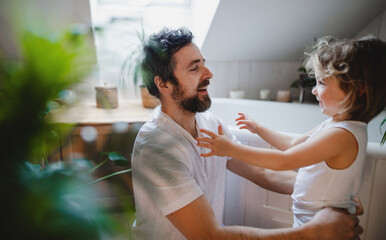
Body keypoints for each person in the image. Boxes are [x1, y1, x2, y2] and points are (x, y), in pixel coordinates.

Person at [131, 27, 363, 239]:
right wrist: (314, 232)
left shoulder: (209, 123)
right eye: (195, 68)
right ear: (164, 85)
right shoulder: (157, 147)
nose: (209, 73)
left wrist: (330, 194)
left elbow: (263, 173)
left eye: (204, 63)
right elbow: (209, 235)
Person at [197, 35, 386, 228]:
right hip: (312, 218)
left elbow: (285, 161)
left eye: (322, 83)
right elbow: (293, 144)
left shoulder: (342, 136)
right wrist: (259, 129)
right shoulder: (335, 125)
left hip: (323, 225)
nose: (314, 90)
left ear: (358, 89)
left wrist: (231, 149)